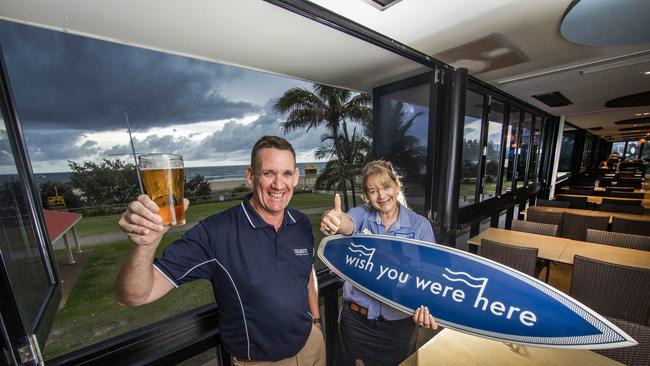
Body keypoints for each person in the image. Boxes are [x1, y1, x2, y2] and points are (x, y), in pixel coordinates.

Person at [116, 136, 325, 366]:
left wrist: (315, 320)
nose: (278, 184)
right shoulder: (215, 232)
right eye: (268, 173)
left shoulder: (301, 224)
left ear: (296, 177)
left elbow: (307, 274)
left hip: (312, 347)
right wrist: (145, 246)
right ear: (250, 176)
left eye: (286, 174)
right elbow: (135, 295)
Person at [320, 160, 438, 366]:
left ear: (397, 185)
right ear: (366, 195)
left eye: (386, 187)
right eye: (373, 191)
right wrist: (335, 221)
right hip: (356, 324)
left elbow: (431, 277)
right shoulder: (363, 215)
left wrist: (427, 306)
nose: (382, 196)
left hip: (399, 328)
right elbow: (347, 223)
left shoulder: (420, 227)